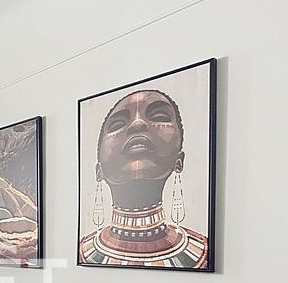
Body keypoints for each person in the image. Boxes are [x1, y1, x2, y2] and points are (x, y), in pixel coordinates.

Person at [78, 89, 208, 268]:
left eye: (159, 117)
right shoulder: (80, 253)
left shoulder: (205, 254)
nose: (138, 123)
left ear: (179, 161)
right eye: (117, 124)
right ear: (99, 171)